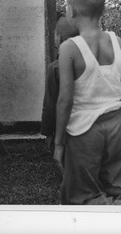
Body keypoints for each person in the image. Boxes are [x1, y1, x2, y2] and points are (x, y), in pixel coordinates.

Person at [53, 0, 121, 205]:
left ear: (70, 10)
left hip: (83, 132)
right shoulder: (117, 42)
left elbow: (65, 100)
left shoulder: (69, 47)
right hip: (115, 125)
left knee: (83, 195)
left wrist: (59, 144)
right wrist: (120, 123)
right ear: (103, 9)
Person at [41, 17, 78, 150]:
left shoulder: (56, 68)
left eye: (56, 34)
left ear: (60, 38)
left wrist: (47, 133)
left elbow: (50, 104)